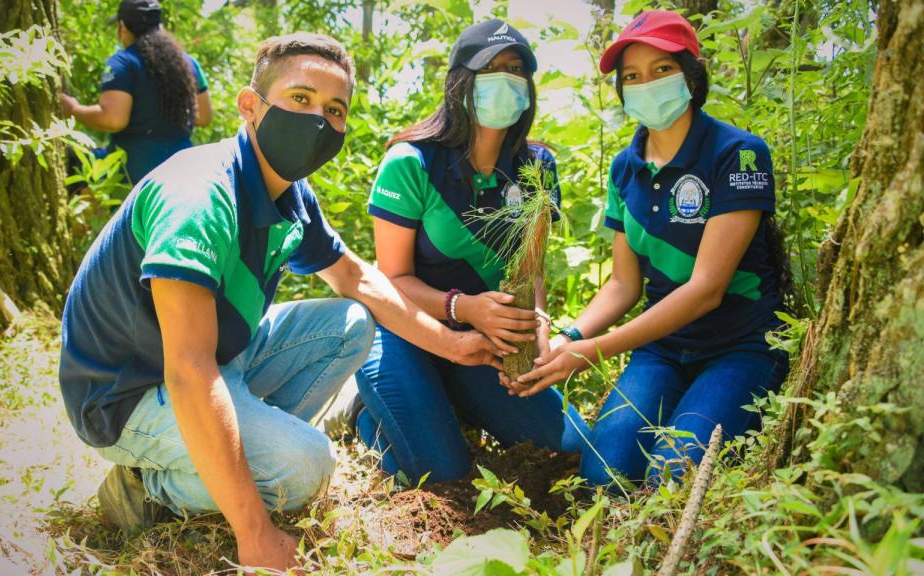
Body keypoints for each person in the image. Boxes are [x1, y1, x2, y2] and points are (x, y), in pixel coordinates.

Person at [58, 32, 500, 572]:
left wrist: (453, 344)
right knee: (306, 468)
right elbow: (189, 371)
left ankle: (234, 453)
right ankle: (150, 488)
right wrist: (256, 534)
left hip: (216, 357)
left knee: (351, 322)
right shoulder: (200, 196)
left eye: (333, 109)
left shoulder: (288, 193)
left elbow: (357, 279)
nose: (318, 119)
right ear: (250, 106)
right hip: (127, 391)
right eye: (300, 99)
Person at [506, 10, 792, 491]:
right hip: (661, 349)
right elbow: (623, 284)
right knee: (602, 476)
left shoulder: (738, 153)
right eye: (632, 76)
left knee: (673, 474)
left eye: (662, 70)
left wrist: (592, 351)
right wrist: (567, 337)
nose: (647, 84)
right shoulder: (626, 167)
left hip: (740, 346)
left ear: (691, 75)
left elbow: (706, 289)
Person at [351, 19, 591, 484]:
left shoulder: (537, 166)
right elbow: (391, 280)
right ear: (460, 83)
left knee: (568, 453)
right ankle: (369, 413)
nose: (505, 78)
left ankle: (455, 401)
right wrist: (465, 307)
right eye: (489, 69)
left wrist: (534, 330)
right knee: (443, 473)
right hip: (407, 330)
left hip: (487, 342)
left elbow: (531, 273)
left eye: (516, 68)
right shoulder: (412, 162)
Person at [60, 0, 213, 184]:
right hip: (180, 168)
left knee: (72, 159)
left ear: (123, 27)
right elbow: (203, 117)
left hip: (133, 171)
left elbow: (113, 120)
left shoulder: (123, 63)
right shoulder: (188, 64)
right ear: (159, 26)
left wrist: (74, 109)